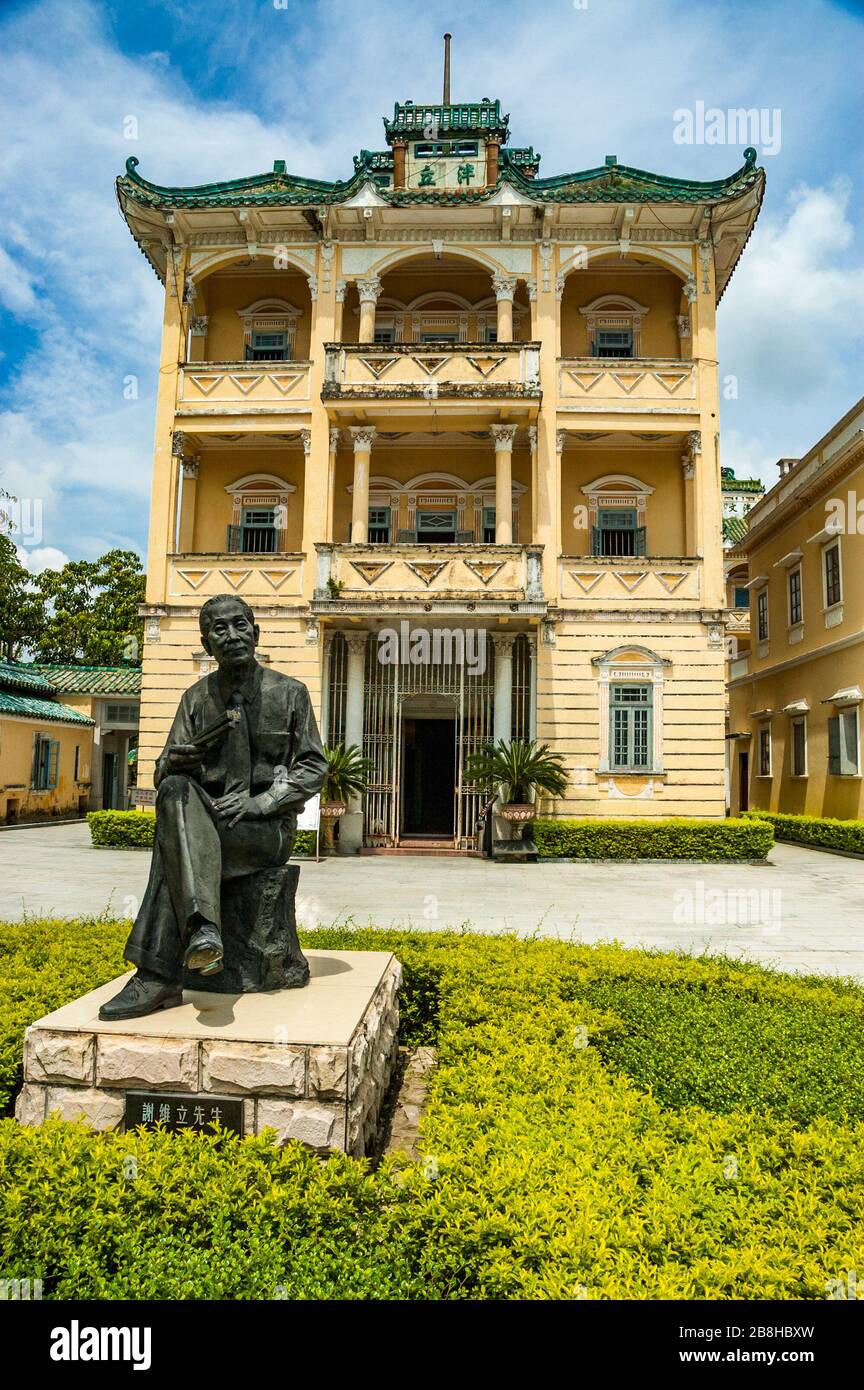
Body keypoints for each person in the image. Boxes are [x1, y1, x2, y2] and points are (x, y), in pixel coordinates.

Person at [99, 594, 327, 1020]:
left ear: (256, 633)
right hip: (206, 817)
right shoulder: (195, 698)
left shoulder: (290, 693)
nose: (232, 636)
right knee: (173, 793)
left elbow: (314, 766)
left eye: (240, 625)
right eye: (219, 630)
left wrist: (262, 802)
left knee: (174, 847)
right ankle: (203, 934)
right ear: (207, 645)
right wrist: (173, 762)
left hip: (263, 832)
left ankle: (157, 974)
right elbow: (161, 769)